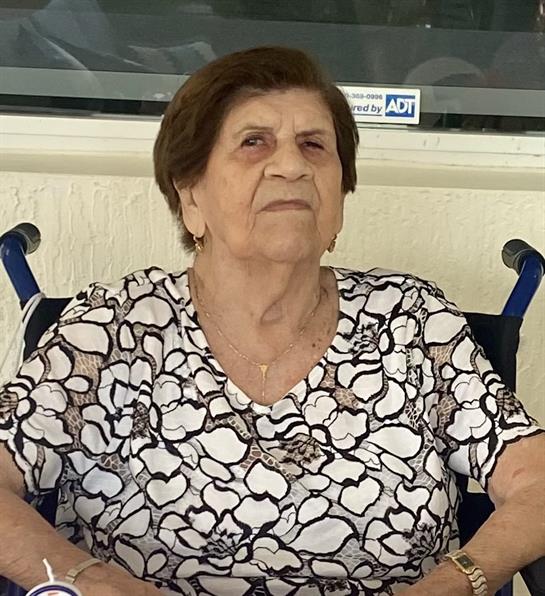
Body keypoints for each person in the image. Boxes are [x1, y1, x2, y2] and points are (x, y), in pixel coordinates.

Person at [0, 46, 544, 596]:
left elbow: (537, 483)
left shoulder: (411, 320)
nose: (291, 165)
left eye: (314, 145)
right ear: (190, 195)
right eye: (253, 142)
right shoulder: (109, 327)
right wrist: (90, 582)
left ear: (340, 196)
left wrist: (456, 582)